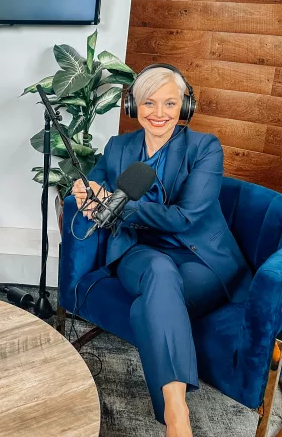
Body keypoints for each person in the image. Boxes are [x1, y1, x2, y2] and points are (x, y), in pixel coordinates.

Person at [70, 64, 252, 437]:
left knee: (146, 307)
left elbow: (186, 218)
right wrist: (86, 193)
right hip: (139, 253)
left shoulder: (204, 148)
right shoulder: (119, 147)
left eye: (170, 103)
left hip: (200, 259)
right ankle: (177, 415)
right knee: (159, 273)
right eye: (148, 102)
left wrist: (118, 205)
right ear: (133, 105)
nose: (159, 113)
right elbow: (97, 185)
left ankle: (173, 414)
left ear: (185, 107)